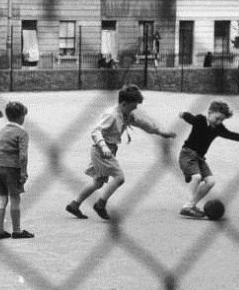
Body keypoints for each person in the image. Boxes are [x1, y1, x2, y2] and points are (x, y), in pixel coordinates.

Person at [65, 84, 176, 220]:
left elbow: (142, 123)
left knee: (97, 183)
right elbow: (95, 131)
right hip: (102, 150)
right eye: (133, 106)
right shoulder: (111, 115)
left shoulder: (126, 114)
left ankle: (74, 204)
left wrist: (161, 132)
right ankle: (100, 204)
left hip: (107, 150)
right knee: (119, 178)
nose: (135, 108)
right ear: (124, 104)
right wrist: (104, 147)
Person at [177, 101, 239, 217]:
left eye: (222, 120)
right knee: (197, 177)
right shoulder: (200, 120)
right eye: (217, 118)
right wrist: (183, 114)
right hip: (187, 154)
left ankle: (192, 205)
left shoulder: (218, 128)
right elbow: (189, 118)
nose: (219, 122)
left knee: (211, 182)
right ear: (209, 113)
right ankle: (187, 206)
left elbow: (232, 135)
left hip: (200, 159)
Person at [0, 101, 33, 239]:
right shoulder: (21, 132)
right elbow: (23, 155)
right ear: (21, 117)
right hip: (11, 169)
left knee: (2, 199)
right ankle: (17, 230)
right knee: (15, 198)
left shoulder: (1, 131)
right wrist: (23, 172)